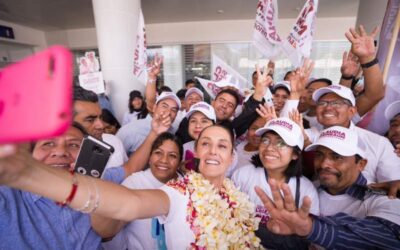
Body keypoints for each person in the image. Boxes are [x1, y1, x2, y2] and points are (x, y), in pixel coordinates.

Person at [0, 125, 261, 249]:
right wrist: (27, 173)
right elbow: (130, 204)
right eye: (205, 143)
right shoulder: (178, 192)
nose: (213, 151)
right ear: (195, 153)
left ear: (231, 157)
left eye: (222, 145)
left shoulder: (236, 196)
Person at [255, 126, 400, 249]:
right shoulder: (310, 189)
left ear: (361, 164)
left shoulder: (382, 197)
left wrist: (312, 229)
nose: (324, 164)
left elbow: (392, 237)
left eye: (337, 156)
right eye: (319, 155)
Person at [0, 123, 122, 249]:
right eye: (48, 144)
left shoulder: (97, 181)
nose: (60, 152)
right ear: (30, 154)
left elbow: (108, 232)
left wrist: (94, 187)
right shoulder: (7, 197)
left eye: (74, 145)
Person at [232, 117, 319, 249]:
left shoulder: (306, 190)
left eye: (281, 143)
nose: (270, 148)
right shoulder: (243, 175)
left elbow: (309, 240)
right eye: (265, 140)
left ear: (295, 154)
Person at [94, 132, 184, 250]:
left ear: (179, 162)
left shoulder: (188, 186)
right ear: (149, 158)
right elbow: (113, 232)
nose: (164, 160)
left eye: (172, 155)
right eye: (158, 153)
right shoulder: (133, 184)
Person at [73, 86, 128, 169]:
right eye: (90, 120)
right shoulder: (57, 160)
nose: (101, 126)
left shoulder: (114, 142)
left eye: (100, 117)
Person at [116, 91, 180, 156]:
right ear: (154, 108)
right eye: (164, 106)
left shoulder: (173, 132)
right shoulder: (130, 130)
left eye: (174, 110)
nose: (168, 112)